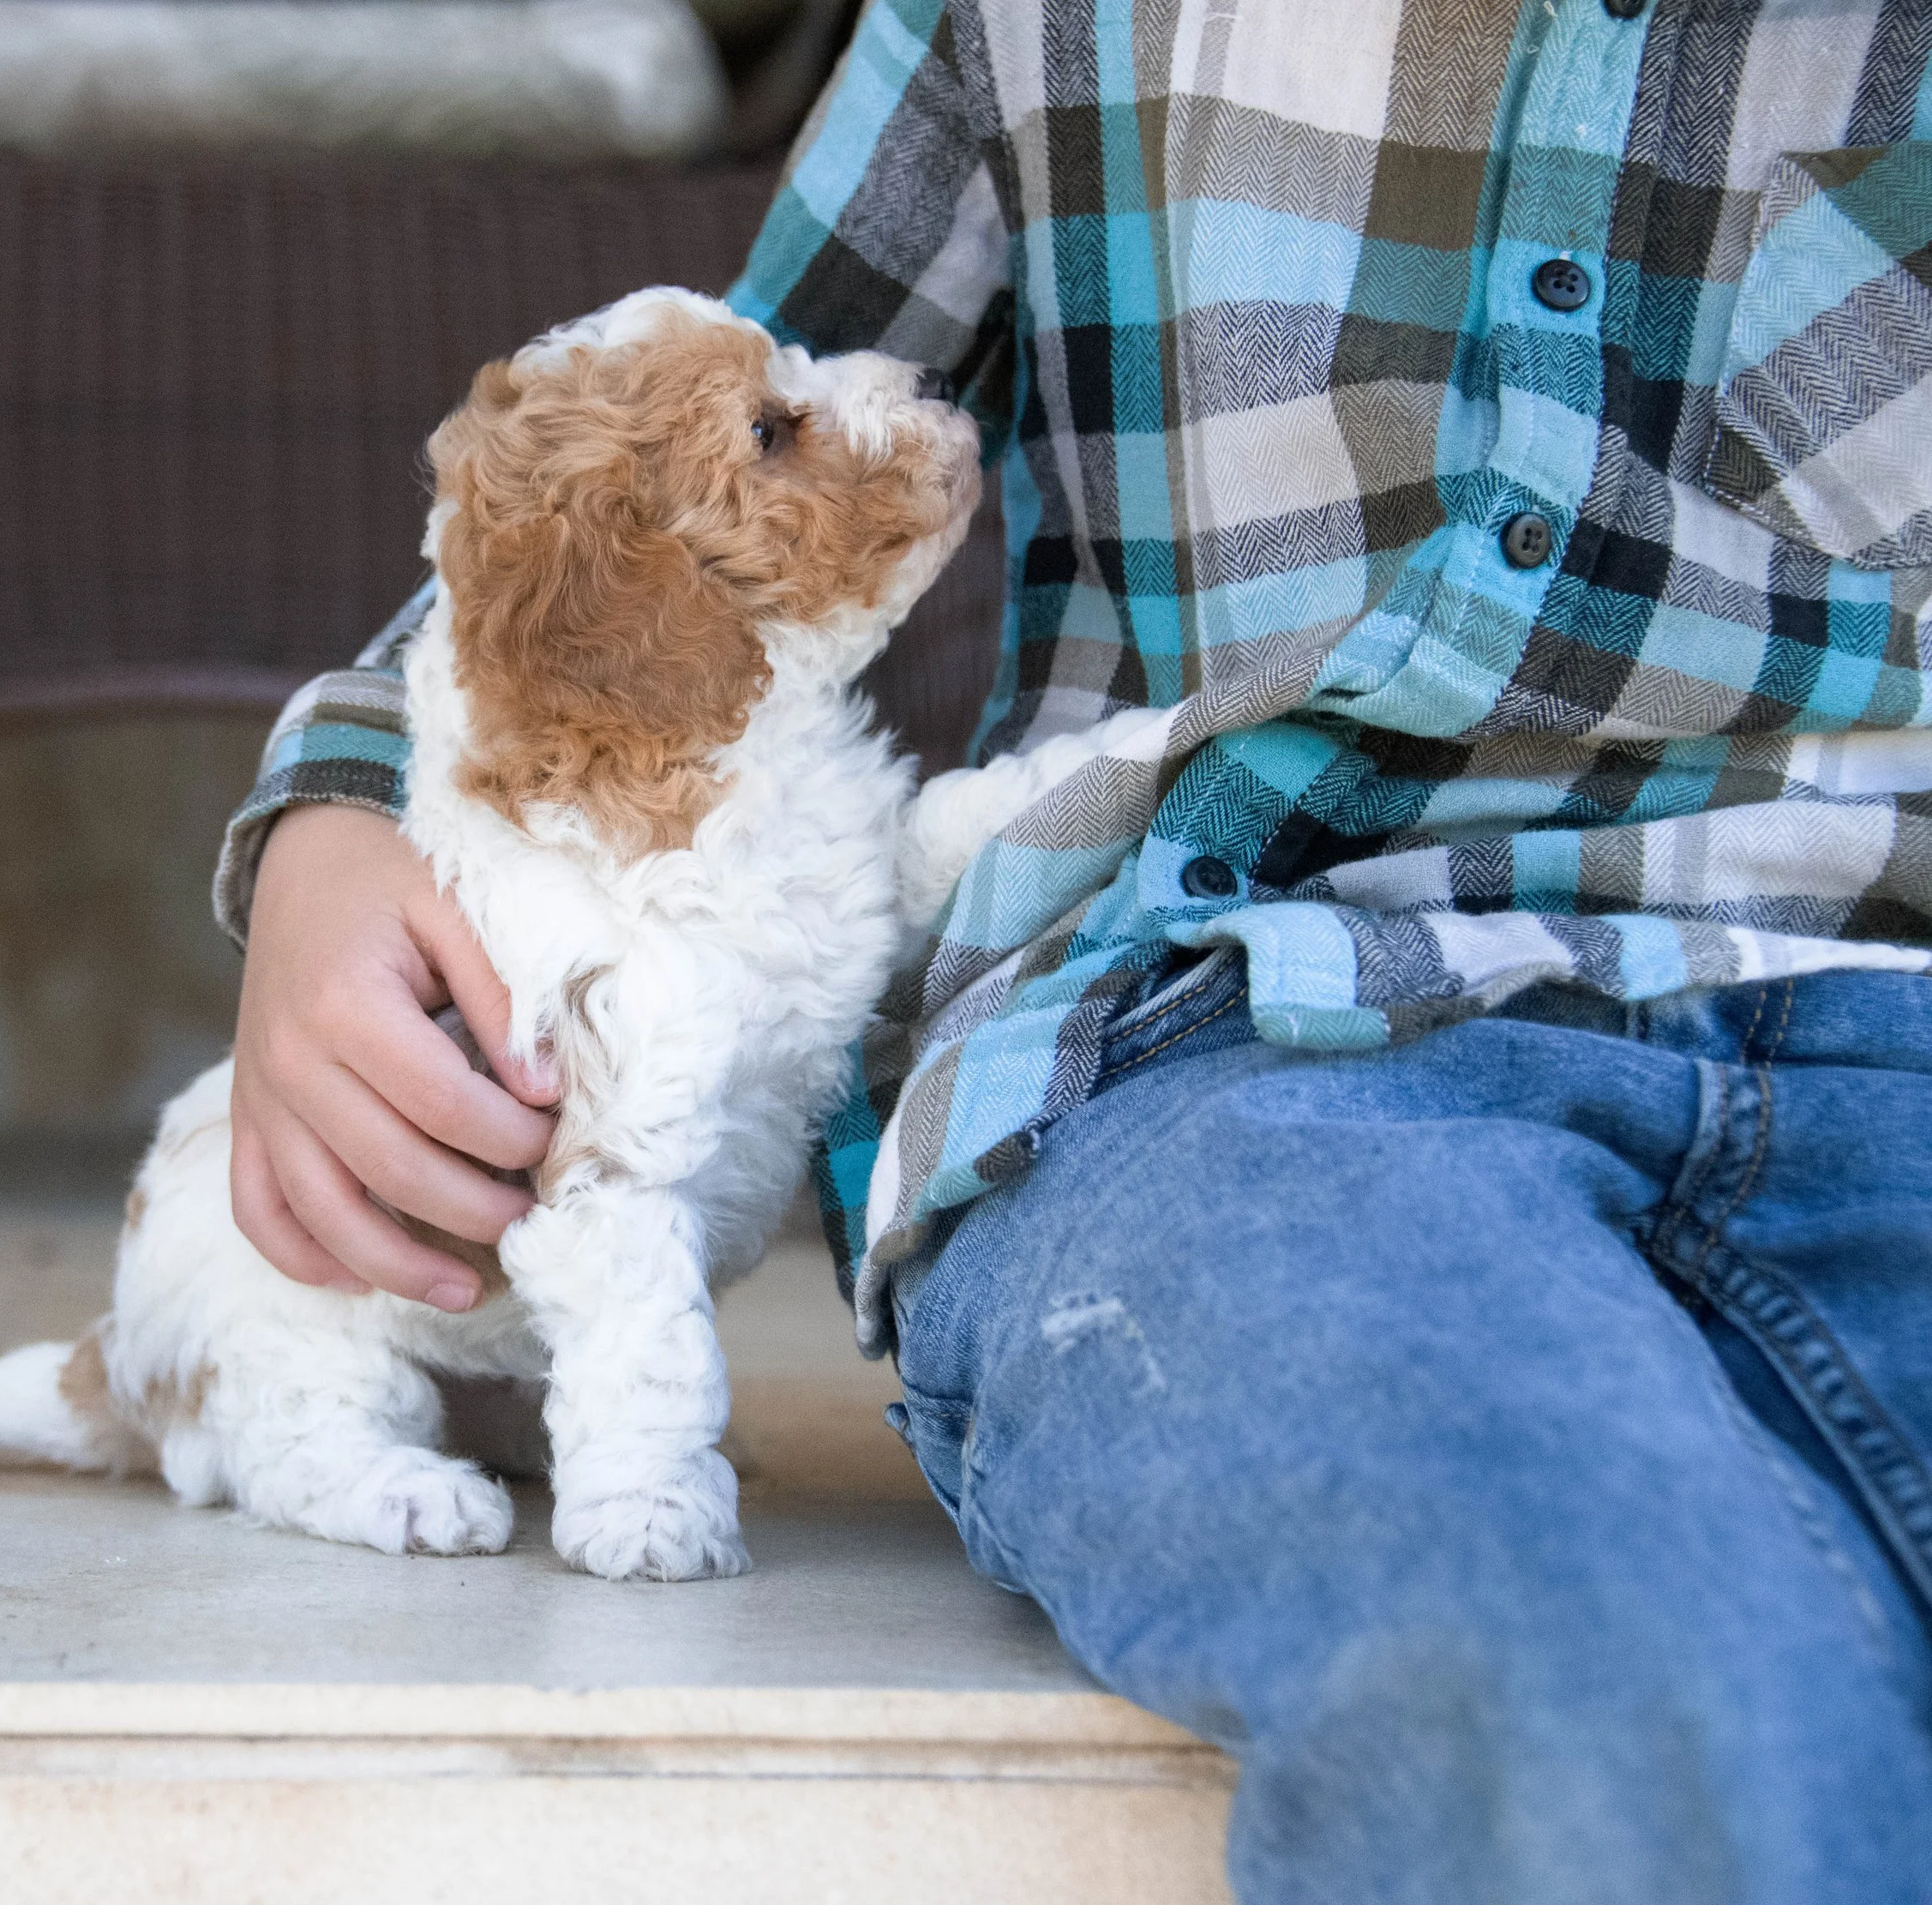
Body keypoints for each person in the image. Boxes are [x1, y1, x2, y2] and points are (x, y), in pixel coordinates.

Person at [215, 3, 1932, 1896]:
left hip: (1886, 1009)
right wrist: (355, 794)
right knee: (1607, 1648)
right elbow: (663, 435)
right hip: (1227, 1040)